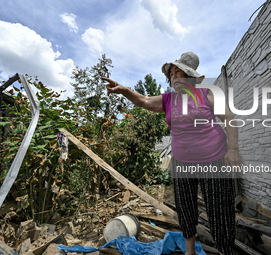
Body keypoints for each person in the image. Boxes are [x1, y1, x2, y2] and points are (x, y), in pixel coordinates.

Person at [101, 52, 242, 255]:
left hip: (214, 159)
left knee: (220, 210)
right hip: (182, 162)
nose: (174, 77)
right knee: (185, 209)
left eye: (179, 73)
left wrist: (234, 150)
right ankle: (190, 251)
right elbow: (144, 101)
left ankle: (225, 251)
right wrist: (124, 90)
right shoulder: (168, 99)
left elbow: (230, 119)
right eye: (172, 73)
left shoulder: (207, 94)